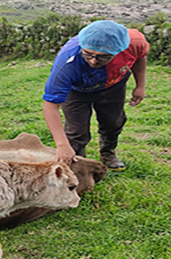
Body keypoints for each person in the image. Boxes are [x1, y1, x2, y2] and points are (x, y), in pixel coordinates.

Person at [42, 20, 149, 171]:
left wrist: (140, 86)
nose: (93, 60)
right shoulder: (66, 63)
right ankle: (78, 162)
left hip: (113, 86)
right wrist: (62, 145)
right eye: (87, 54)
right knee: (76, 130)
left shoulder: (135, 42)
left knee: (113, 121)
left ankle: (108, 153)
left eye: (102, 57)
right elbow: (50, 107)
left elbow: (140, 57)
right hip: (77, 92)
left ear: (119, 51)